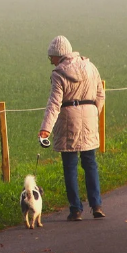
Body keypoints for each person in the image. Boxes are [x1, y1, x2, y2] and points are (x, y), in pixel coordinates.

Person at [38, 36, 106, 221]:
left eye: (51, 57)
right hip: (90, 119)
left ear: (58, 55)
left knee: (70, 166)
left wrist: (45, 130)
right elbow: (100, 93)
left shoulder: (58, 74)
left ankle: (76, 209)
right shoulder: (90, 67)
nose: (50, 61)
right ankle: (96, 204)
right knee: (90, 162)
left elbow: (54, 103)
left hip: (68, 121)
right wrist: (93, 113)